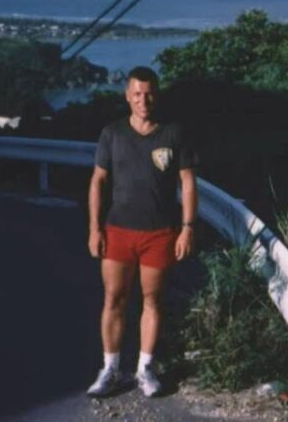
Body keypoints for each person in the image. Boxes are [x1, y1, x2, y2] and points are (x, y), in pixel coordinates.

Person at [86, 66, 198, 398]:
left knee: (152, 300)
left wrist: (188, 228)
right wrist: (94, 229)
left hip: (160, 233)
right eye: (136, 94)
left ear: (156, 94)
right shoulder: (112, 133)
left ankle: (144, 370)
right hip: (118, 230)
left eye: (148, 93)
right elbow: (97, 182)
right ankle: (110, 369)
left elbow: (188, 183)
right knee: (114, 299)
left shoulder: (173, 134)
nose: (143, 100)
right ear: (127, 96)